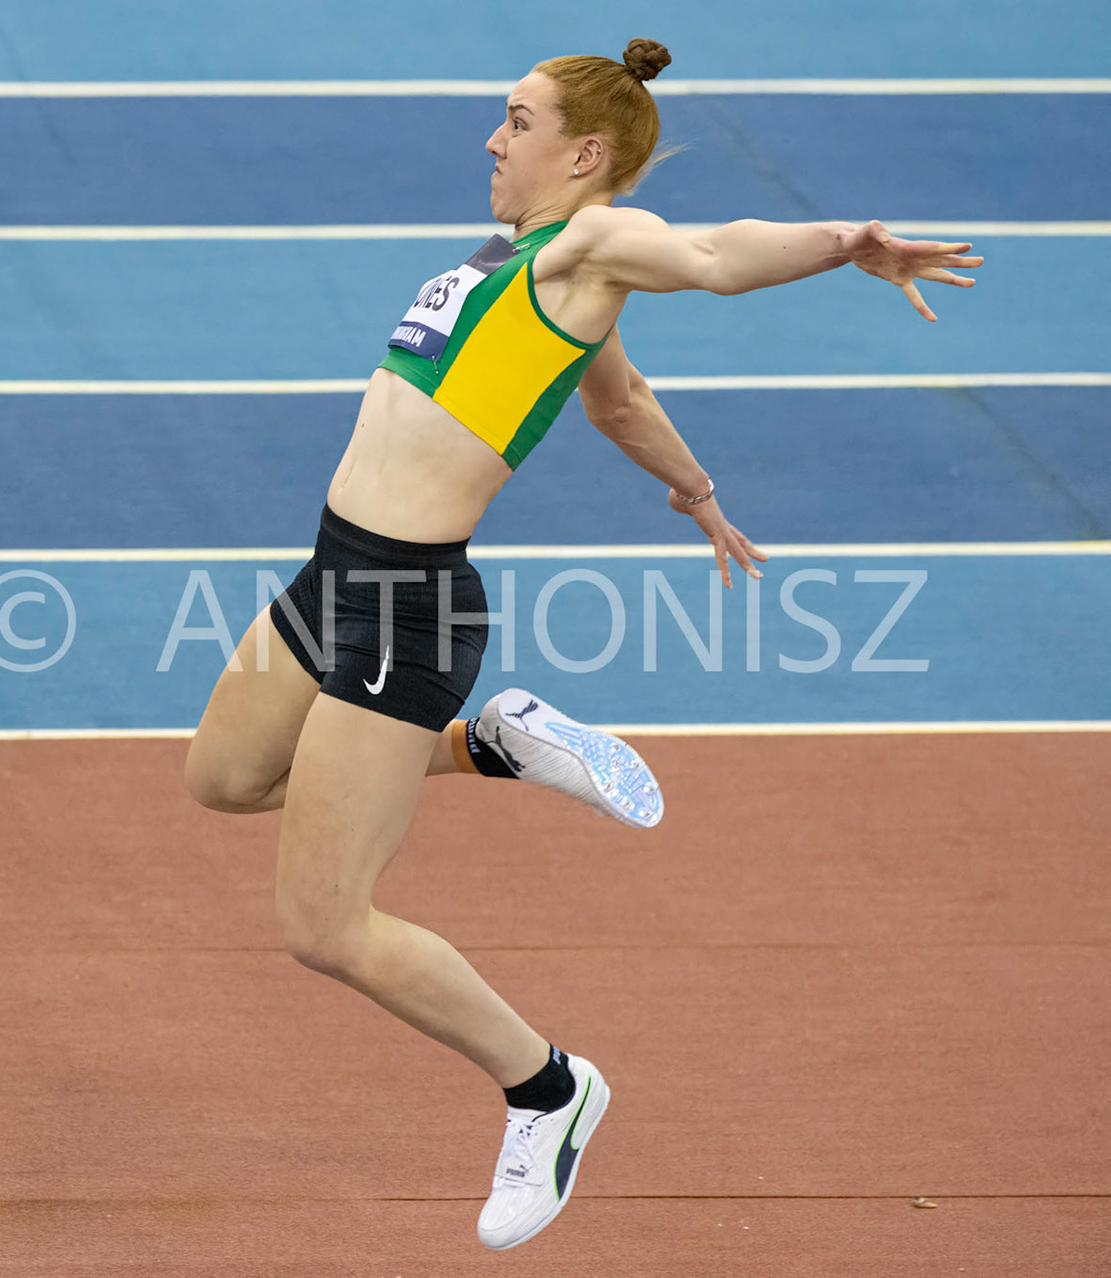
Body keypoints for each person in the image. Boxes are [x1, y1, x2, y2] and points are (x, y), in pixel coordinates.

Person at [183, 37, 979, 1251]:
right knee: (223, 779)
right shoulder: (520, 264)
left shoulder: (590, 239)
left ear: (584, 153)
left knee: (326, 926)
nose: (493, 140)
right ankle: (494, 746)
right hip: (332, 567)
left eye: (515, 120)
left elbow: (714, 256)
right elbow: (615, 398)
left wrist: (841, 243)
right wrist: (696, 491)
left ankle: (550, 1090)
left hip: (410, 607)